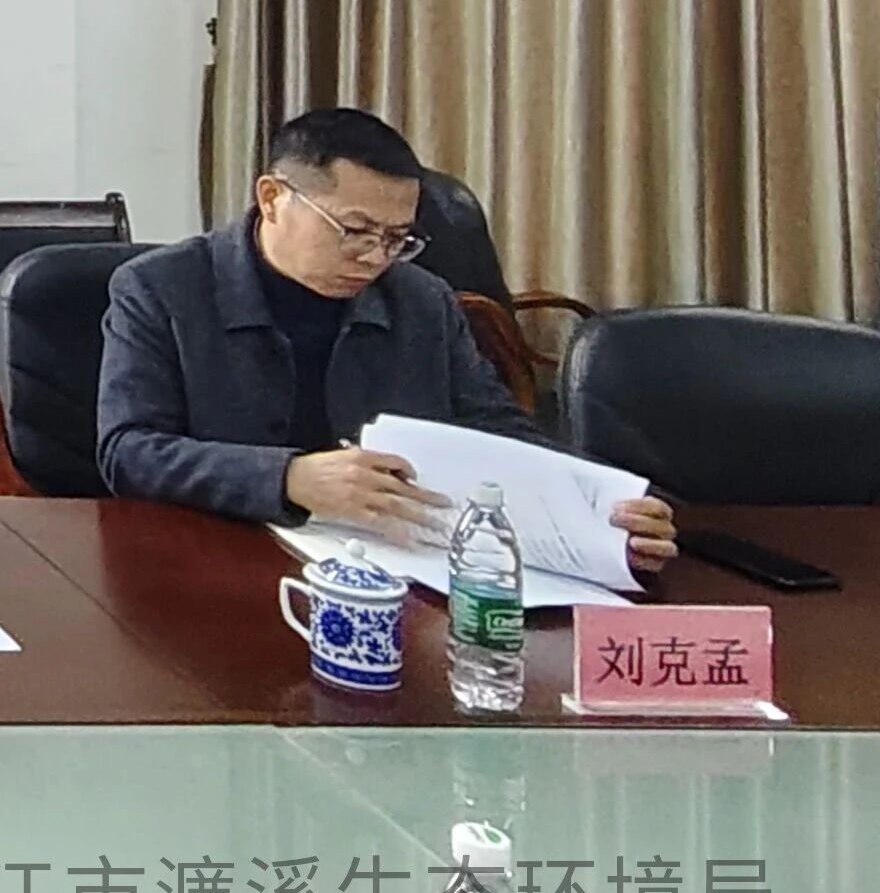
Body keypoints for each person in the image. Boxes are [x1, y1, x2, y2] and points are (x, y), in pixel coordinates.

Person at [97, 106, 675, 570]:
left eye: (398, 238)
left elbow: (495, 427)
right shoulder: (160, 289)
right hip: (212, 561)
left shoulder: (422, 301)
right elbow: (128, 450)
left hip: (395, 565)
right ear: (272, 198)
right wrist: (288, 478)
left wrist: (602, 503)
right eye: (354, 230)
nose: (375, 257)